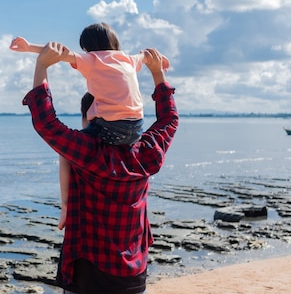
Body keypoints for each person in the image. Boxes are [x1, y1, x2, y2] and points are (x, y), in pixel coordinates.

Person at [22, 41, 178, 294]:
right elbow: (169, 119)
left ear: (93, 115)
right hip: (134, 275)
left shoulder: (88, 151)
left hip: (89, 274)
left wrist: (41, 66)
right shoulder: (147, 152)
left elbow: (47, 123)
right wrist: (157, 73)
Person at [11, 22, 170, 229]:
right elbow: (150, 59)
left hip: (108, 132)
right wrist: (160, 69)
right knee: (69, 150)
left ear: (87, 47)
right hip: (136, 129)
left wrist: (30, 49)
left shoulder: (92, 60)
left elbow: (57, 53)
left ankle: (65, 205)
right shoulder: (129, 60)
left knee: (66, 152)